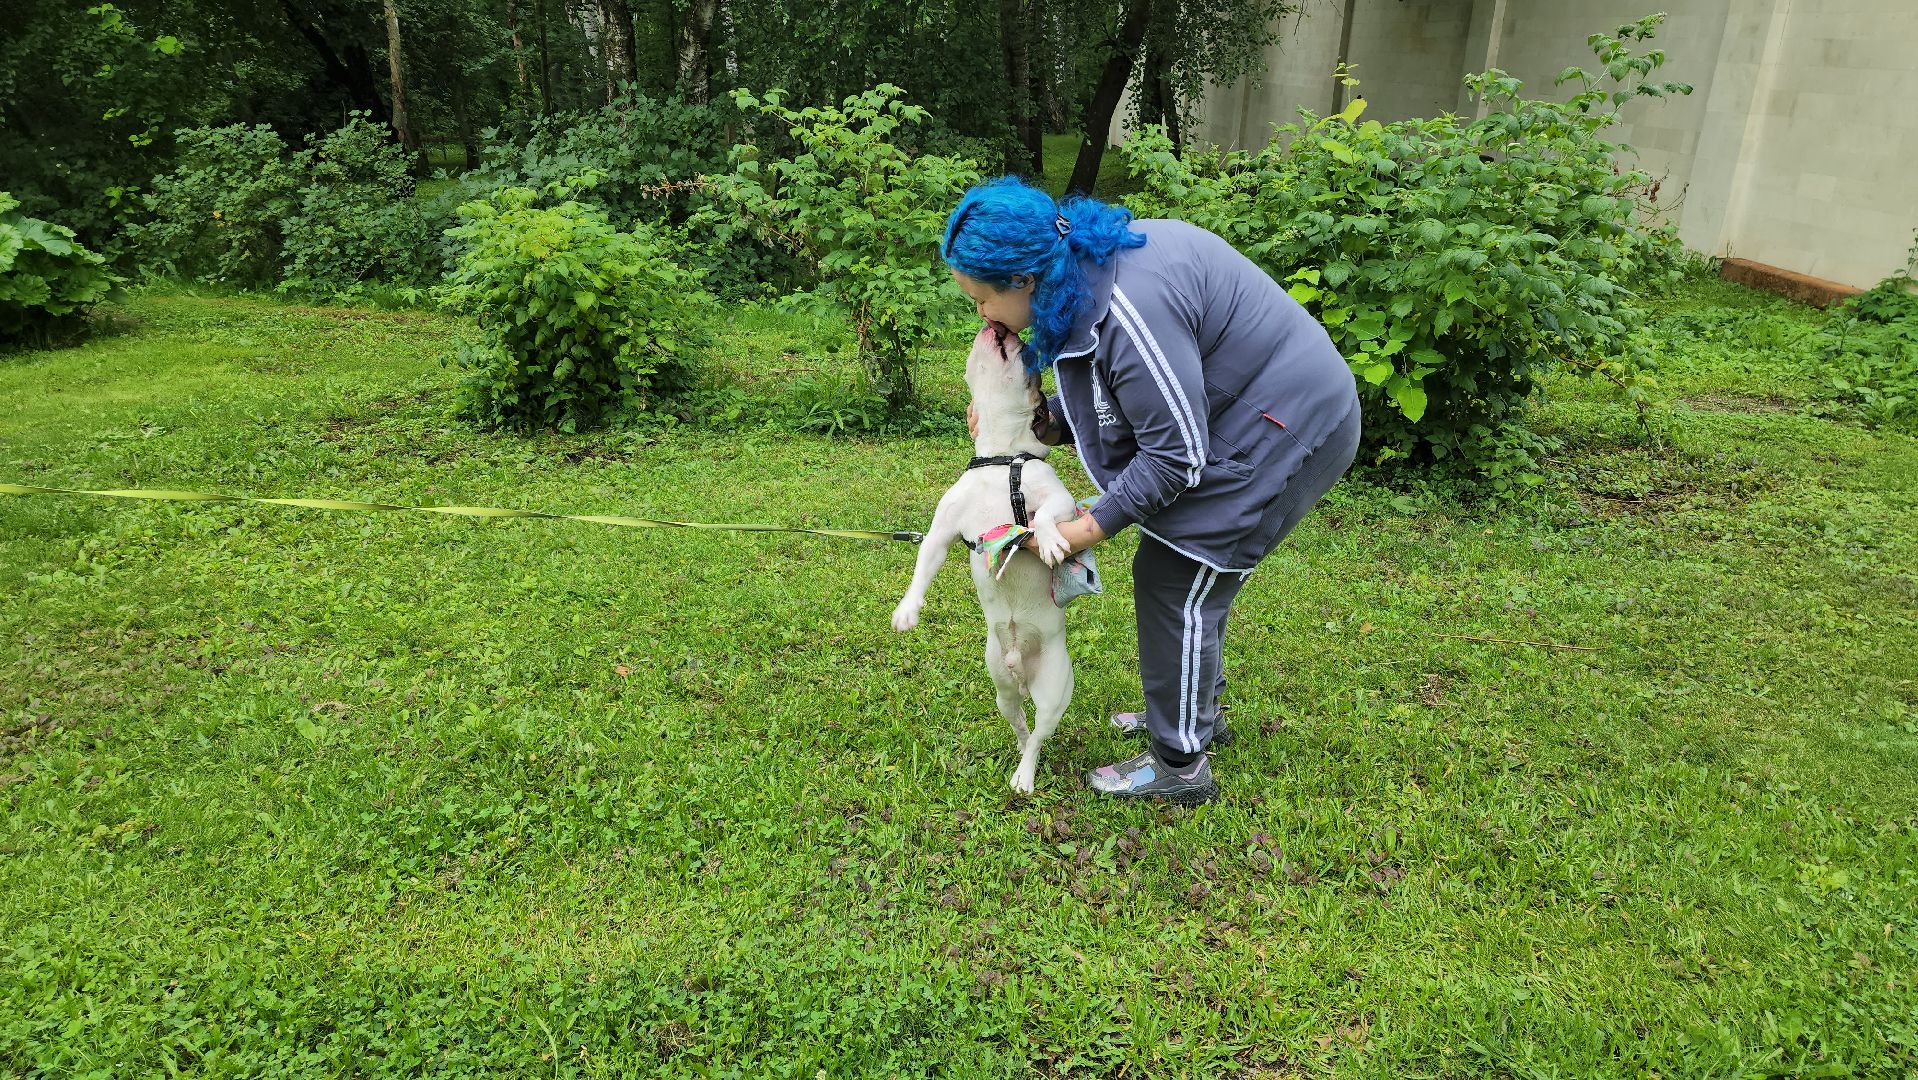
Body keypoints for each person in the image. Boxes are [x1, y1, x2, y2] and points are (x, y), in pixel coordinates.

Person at [943, 177, 1361, 806]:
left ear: (1024, 280)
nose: (982, 315)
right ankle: (1195, 715)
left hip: (1288, 423)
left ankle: (1180, 766)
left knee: (1178, 579)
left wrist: (1083, 529)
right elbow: (1118, 390)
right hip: (1242, 409)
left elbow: (1174, 456)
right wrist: (1043, 419)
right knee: (1182, 580)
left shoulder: (1128, 311)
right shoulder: (1075, 282)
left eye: (982, 299)